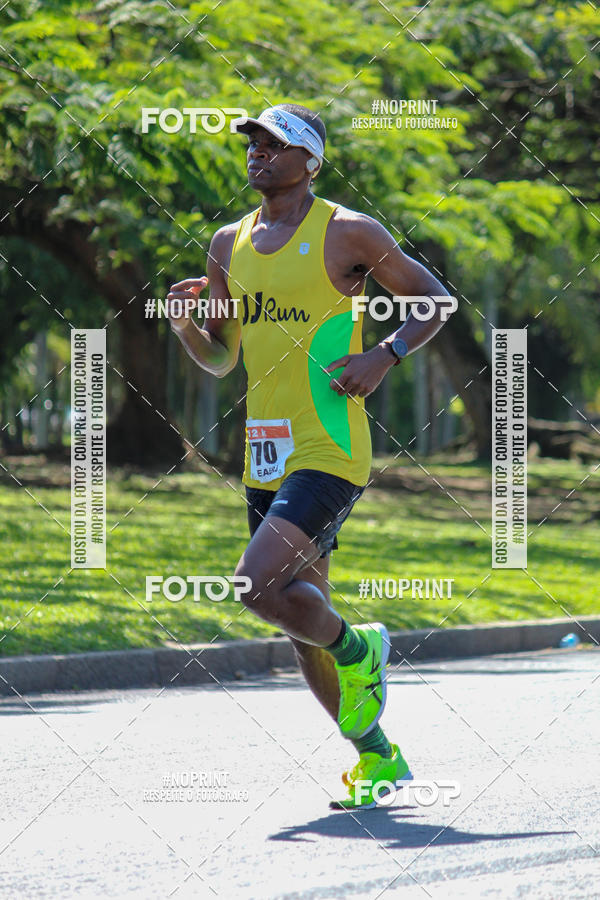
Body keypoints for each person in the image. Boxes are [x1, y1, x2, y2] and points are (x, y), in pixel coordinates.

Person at [167, 103, 452, 809]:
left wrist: (384, 356)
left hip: (330, 445)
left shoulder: (348, 231)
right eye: (253, 143)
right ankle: (379, 757)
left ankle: (362, 650)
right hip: (264, 452)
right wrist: (183, 326)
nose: (258, 152)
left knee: (256, 587)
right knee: (300, 618)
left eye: (275, 143)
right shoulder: (225, 243)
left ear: (310, 161)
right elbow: (222, 357)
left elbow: (436, 302)